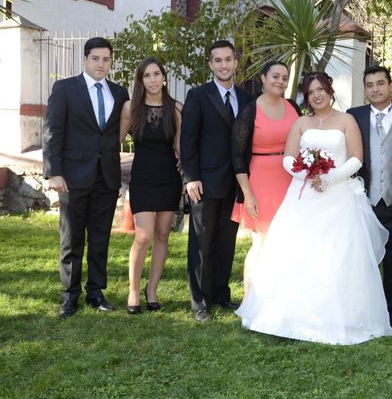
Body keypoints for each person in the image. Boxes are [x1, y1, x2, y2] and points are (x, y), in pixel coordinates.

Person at [236, 71, 392, 345]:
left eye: (320, 89)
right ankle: (293, 316)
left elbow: (357, 159)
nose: (316, 95)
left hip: (339, 197)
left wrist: (331, 178)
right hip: (305, 195)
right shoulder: (301, 122)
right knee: (298, 252)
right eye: (310, 92)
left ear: (329, 91)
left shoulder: (346, 120)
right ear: (306, 97)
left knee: (337, 255)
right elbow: (288, 158)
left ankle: (341, 317)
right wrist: (306, 175)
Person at [43, 37, 129, 317]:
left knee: (101, 237)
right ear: (85, 59)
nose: (101, 64)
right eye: (95, 58)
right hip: (72, 177)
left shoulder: (119, 93)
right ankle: (69, 296)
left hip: (106, 177)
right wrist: (53, 172)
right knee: (72, 238)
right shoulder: (66, 89)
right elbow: (53, 131)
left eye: (106, 59)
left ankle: (96, 292)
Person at [180, 40, 253, 322]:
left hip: (235, 184)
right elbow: (188, 141)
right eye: (217, 60)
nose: (224, 65)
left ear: (235, 62)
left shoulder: (247, 99)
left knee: (226, 241)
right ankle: (199, 302)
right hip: (205, 182)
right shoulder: (198, 96)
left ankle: (221, 294)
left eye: (228, 59)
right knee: (201, 242)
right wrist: (191, 177)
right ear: (210, 64)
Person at [347, 66, 392, 329]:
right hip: (363, 200)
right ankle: (363, 307)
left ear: (391, 87)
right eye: (369, 85)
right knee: (362, 257)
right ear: (365, 89)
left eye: (380, 83)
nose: (375, 89)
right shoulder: (353, 117)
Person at [230, 61, 301, 295]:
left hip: (290, 180)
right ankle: (250, 298)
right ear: (263, 78)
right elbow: (237, 156)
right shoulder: (250, 111)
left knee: (287, 242)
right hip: (261, 181)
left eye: (284, 77)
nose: (280, 81)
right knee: (261, 242)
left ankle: (278, 296)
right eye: (275, 76)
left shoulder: (293, 107)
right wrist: (247, 194)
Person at [119, 57, 183, 314]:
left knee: (163, 234)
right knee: (143, 235)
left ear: (164, 77)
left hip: (169, 177)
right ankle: (133, 290)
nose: (153, 79)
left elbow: (179, 145)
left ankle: (152, 289)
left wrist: (184, 164)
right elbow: (115, 142)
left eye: (157, 74)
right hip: (143, 177)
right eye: (147, 75)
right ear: (141, 80)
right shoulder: (130, 108)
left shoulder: (176, 108)